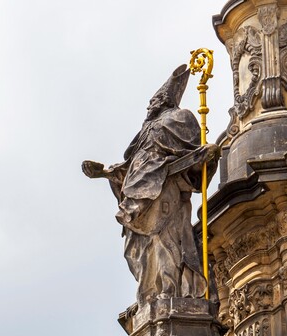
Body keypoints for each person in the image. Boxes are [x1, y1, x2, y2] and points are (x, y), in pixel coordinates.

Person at [82, 65, 218, 305]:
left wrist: (207, 155)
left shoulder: (181, 118)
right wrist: (103, 173)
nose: (149, 105)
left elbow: (194, 158)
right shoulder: (145, 130)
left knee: (165, 240)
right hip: (137, 199)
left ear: (165, 99)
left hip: (166, 190)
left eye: (154, 100)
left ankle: (170, 291)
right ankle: (152, 294)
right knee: (139, 250)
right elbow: (131, 166)